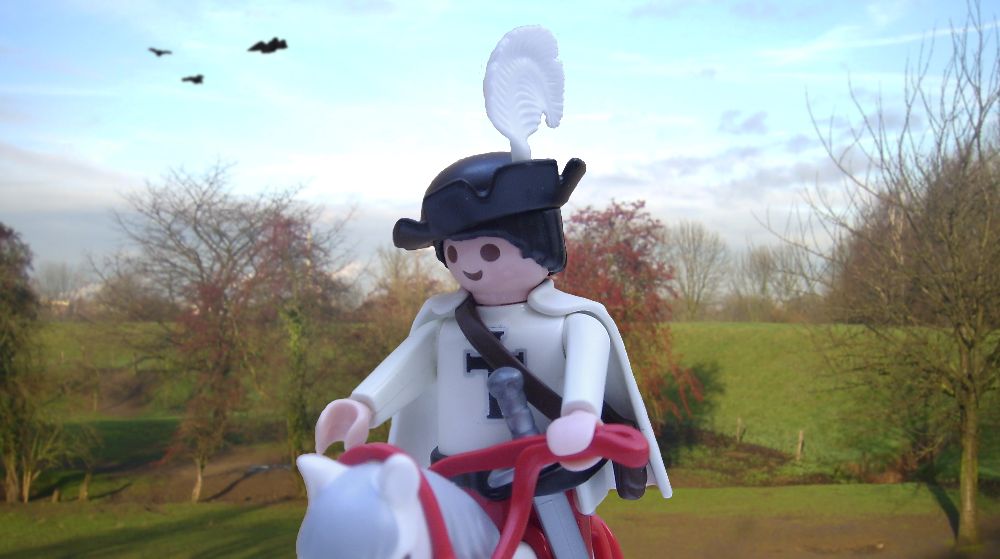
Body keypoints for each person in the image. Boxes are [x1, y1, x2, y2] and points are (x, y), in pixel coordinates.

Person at [314, 151, 671, 517]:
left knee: (565, 540)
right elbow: (408, 366)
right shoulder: (446, 327)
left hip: (546, 475)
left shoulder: (574, 322)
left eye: (489, 251)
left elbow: (587, 374)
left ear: (538, 243)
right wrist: (364, 405)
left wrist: (581, 416)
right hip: (458, 476)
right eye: (454, 253)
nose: (470, 265)